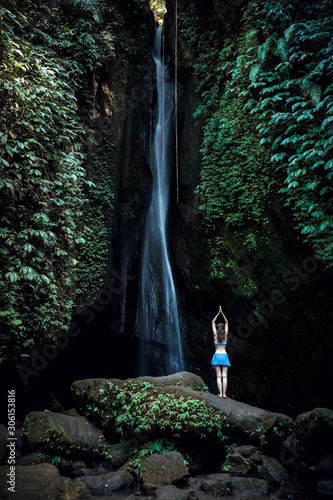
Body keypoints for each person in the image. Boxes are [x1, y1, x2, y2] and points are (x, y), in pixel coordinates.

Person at [211, 305, 230, 398]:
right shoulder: (225, 335)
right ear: (223, 328)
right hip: (224, 356)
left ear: (217, 329)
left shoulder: (215, 335)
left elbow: (212, 321)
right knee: (224, 376)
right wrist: (222, 313)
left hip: (217, 356)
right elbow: (226, 322)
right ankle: (224, 394)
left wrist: (218, 313)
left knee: (218, 376)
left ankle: (220, 394)